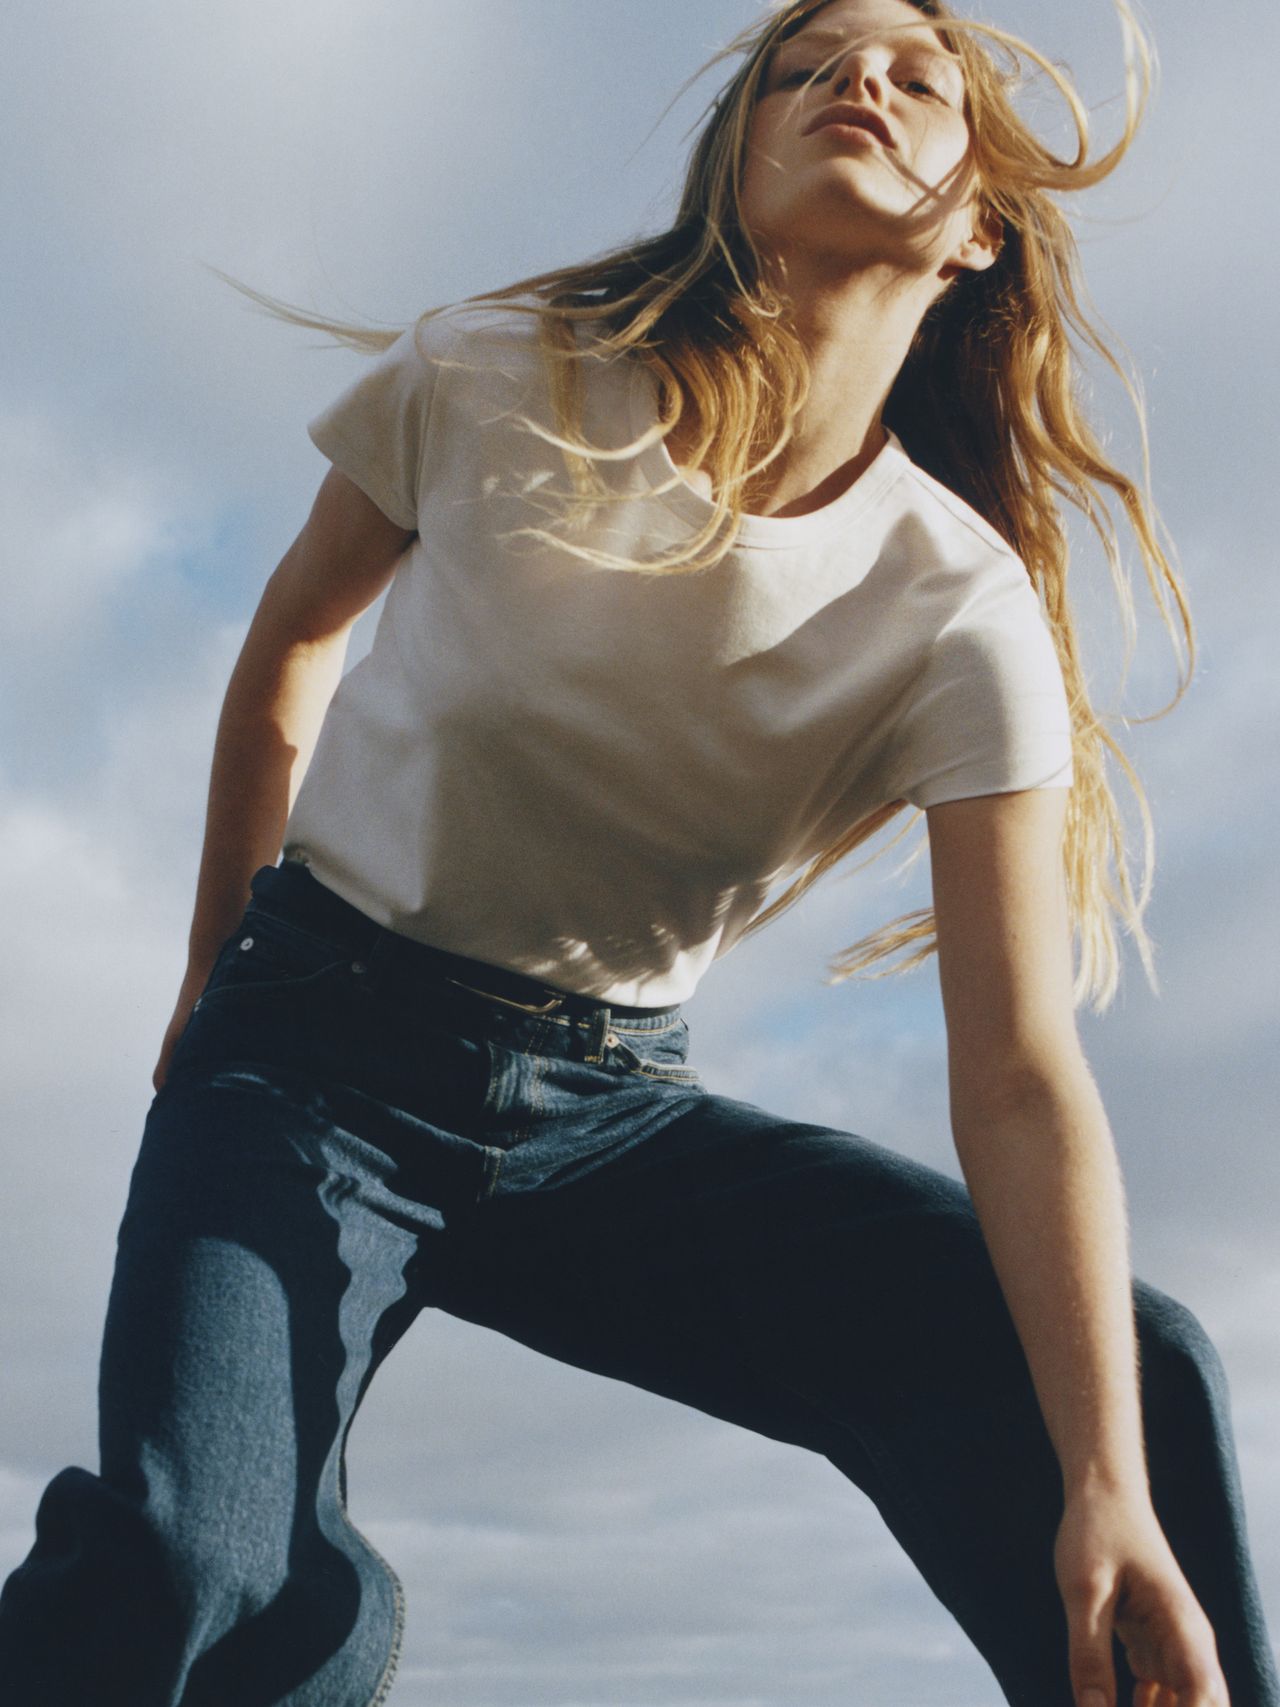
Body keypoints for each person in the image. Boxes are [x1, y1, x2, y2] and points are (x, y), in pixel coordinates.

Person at [1, 0, 1275, 1702]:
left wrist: (1103, 1486)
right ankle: (296, 1630)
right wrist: (210, 970)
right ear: (739, 162)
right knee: (208, 1575)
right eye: (808, 65)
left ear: (978, 228)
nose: (858, 85)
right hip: (307, 1049)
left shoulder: (959, 617)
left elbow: (1022, 1071)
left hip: (602, 1122)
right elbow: (289, 649)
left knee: (1141, 1385)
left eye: (916, 76)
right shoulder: (496, 370)